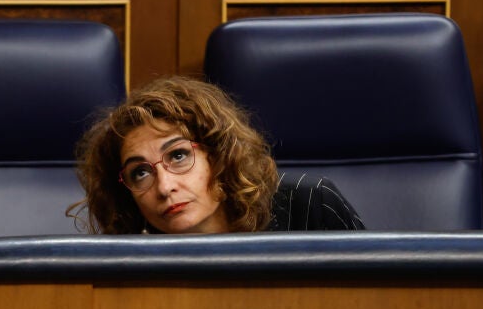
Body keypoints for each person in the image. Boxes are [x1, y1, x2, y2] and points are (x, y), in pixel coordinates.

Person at [67, 76, 364, 234]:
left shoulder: (309, 205)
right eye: (140, 172)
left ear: (218, 155)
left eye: (179, 156)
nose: (164, 186)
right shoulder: (128, 262)